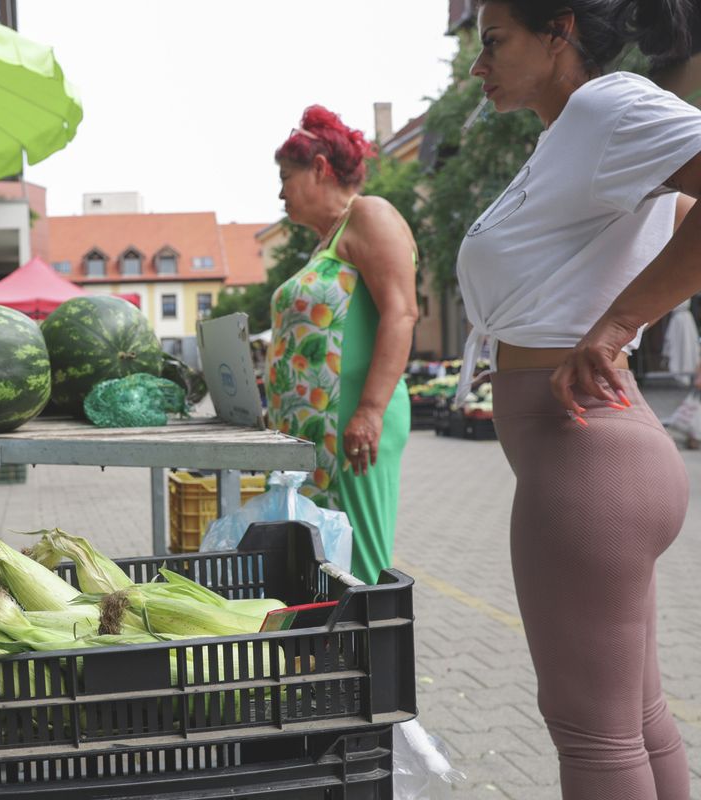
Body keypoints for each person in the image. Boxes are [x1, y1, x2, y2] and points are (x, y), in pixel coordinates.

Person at [456, 2, 701, 796]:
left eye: (494, 42)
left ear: (559, 30)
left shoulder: (607, 105)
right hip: (602, 452)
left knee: (593, 737)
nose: (476, 65)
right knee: (634, 720)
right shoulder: (573, 136)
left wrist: (622, 320)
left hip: (586, 454)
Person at [265, 106, 419, 584]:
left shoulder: (369, 214)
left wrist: (370, 411)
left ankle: (379, 655)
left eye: (286, 177)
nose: (280, 191)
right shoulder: (327, 242)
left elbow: (401, 311)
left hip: (355, 425)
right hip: (320, 433)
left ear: (319, 168)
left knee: (363, 564)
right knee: (328, 565)